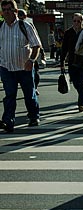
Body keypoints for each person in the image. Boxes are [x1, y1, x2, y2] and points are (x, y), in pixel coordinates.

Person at [0, 0, 42, 133]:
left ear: (15, 11)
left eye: (9, 9)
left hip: (25, 68)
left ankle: (34, 116)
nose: (6, 12)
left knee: (29, 95)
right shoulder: (0, 27)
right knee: (9, 95)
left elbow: (36, 45)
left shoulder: (25, 26)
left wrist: (31, 60)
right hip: (6, 67)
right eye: (4, 9)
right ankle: (8, 121)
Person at [60, 13, 83, 112]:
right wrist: (62, 62)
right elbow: (64, 49)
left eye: (78, 21)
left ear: (82, 22)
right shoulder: (68, 32)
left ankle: (81, 103)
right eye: (74, 21)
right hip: (72, 62)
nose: (76, 23)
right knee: (76, 83)